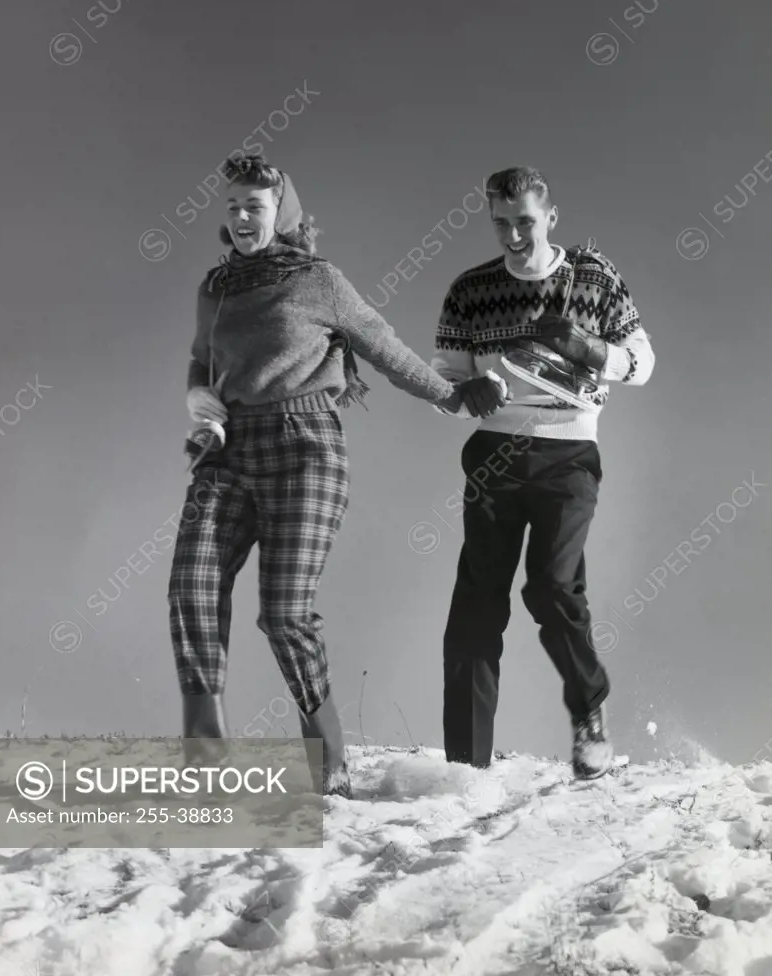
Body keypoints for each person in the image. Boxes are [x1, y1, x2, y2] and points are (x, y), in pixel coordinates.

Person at [167, 153, 504, 798]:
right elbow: (199, 359)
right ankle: (206, 758)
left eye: (255, 206)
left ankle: (328, 763)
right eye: (232, 205)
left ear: (281, 211)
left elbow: (383, 347)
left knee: (284, 613)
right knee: (192, 583)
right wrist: (197, 399)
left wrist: (454, 396)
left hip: (305, 449)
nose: (241, 217)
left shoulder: (318, 280)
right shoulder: (215, 288)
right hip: (230, 449)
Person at [431, 166, 655, 779]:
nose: (513, 236)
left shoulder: (594, 275)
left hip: (568, 455)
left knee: (552, 587)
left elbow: (642, 363)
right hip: (494, 453)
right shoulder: (470, 289)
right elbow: (443, 375)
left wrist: (588, 348)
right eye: (501, 224)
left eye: (524, 221)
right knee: (477, 606)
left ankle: (590, 713)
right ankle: (465, 769)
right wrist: (464, 391)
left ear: (551, 216)